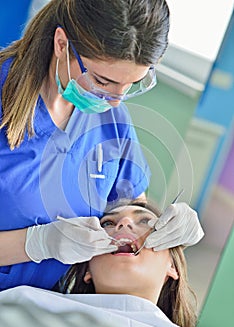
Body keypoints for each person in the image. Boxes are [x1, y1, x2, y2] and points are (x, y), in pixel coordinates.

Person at [0, 0, 204, 292]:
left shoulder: (110, 118)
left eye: (133, 84)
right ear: (61, 44)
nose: (115, 101)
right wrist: (33, 243)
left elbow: (128, 209)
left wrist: (160, 226)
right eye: (102, 80)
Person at [0, 201, 216, 327]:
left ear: (173, 267)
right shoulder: (26, 303)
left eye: (146, 222)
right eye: (108, 224)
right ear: (87, 272)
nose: (124, 224)